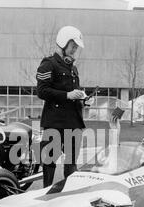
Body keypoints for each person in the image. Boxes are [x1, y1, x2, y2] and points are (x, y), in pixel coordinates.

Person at [36, 26, 88, 187]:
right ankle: (44, 194)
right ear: (63, 42)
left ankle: (68, 196)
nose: (74, 50)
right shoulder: (48, 64)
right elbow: (42, 91)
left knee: (71, 165)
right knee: (49, 162)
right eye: (73, 46)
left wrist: (83, 99)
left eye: (76, 47)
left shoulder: (73, 68)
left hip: (74, 123)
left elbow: (73, 93)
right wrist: (67, 95)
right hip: (55, 122)